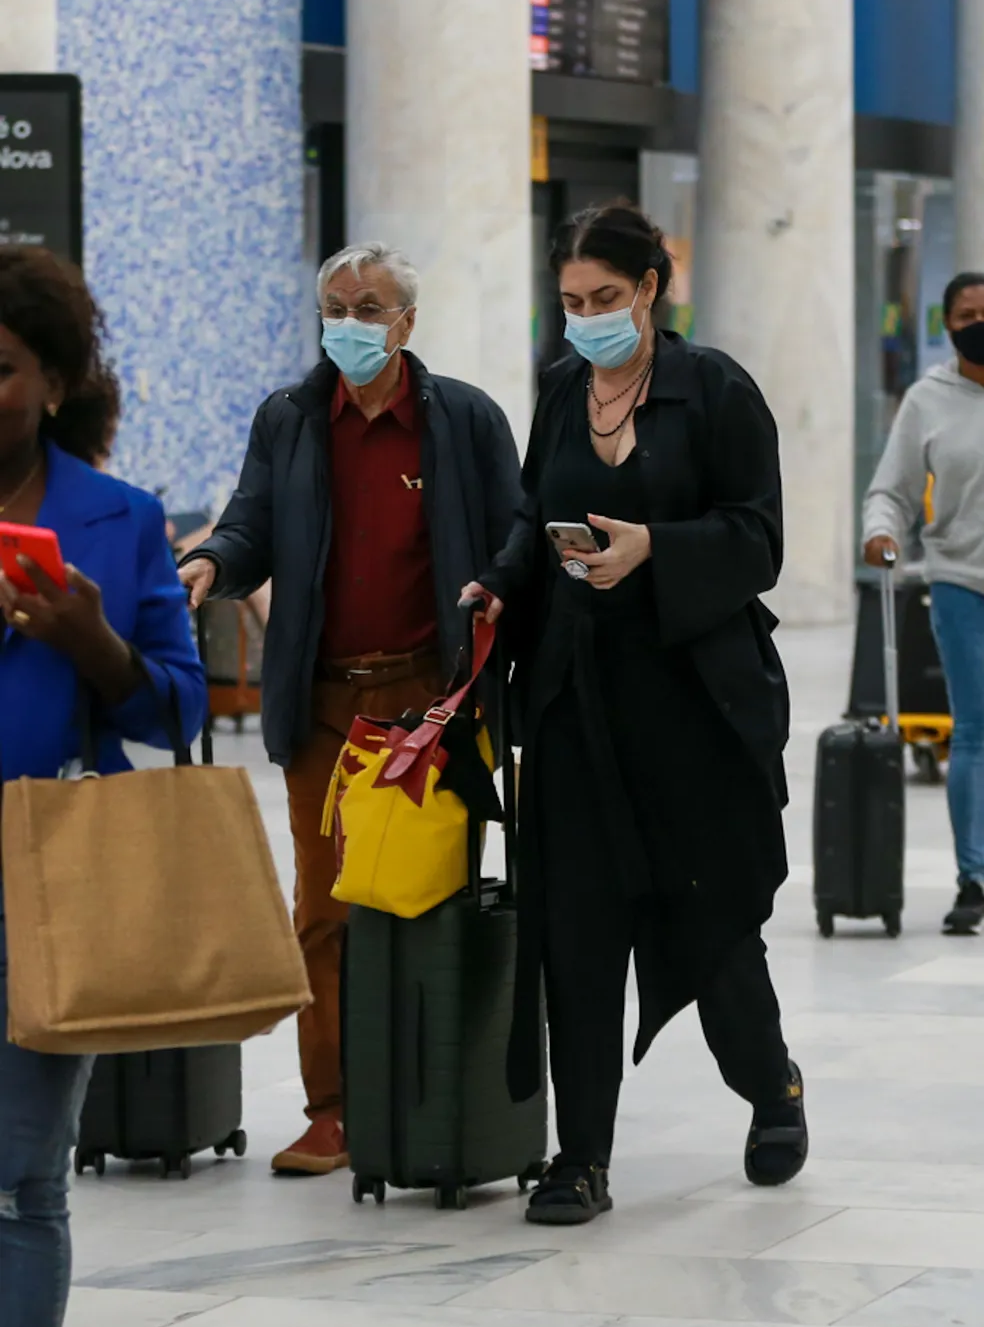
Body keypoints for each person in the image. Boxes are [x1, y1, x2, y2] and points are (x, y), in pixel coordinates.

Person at [462, 201, 806, 1226]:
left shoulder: (717, 392)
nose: (588, 318)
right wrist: (497, 581)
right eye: (571, 301)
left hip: (693, 704)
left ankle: (770, 1082)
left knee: (713, 921)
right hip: (577, 699)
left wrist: (654, 546)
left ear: (653, 286)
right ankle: (583, 1156)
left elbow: (757, 536)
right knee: (577, 930)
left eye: (606, 298)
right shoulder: (566, 389)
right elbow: (535, 514)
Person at [179, 241, 522, 1176]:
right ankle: (329, 1110)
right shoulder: (290, 419)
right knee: (323, 908)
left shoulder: (464, 419)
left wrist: (497, 587)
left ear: (407, 321)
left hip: (430, 704)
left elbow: (515, 532)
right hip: (325, 702)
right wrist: (215, 562)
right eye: (334, 306)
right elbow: (251, 521)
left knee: (426, 900)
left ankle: (427, 1089)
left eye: (367, 307)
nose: (348, 324)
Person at [0, 245, 206, 1327]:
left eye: (2, 367)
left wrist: (92, 642)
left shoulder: (118, 520)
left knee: (21, 1175)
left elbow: (178, 705)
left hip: (45, 877)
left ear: (59, 380)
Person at [863, 271, 984, 936]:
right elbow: (893, 488)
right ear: (948, 326)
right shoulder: (929, 398)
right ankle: (974, 877)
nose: (978, 321)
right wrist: (880, 530)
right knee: (972, 730)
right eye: (967, 313)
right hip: (962, 579)